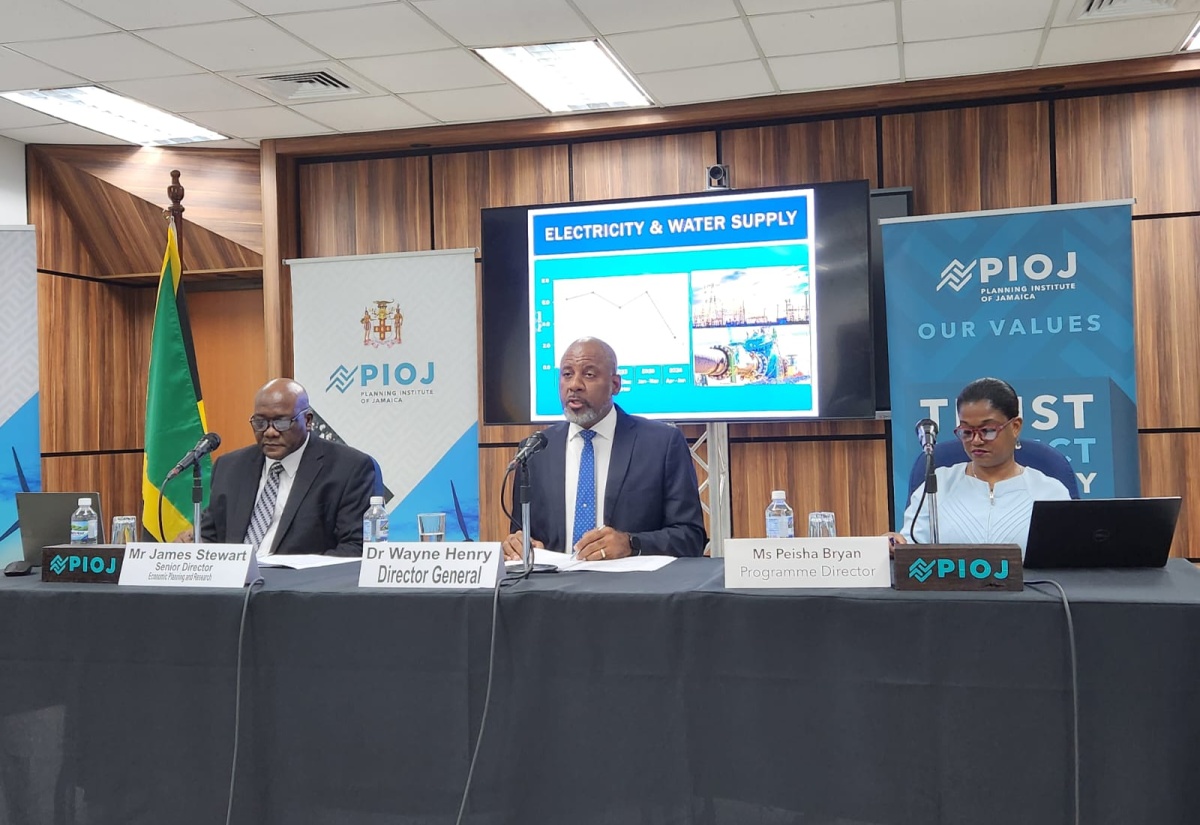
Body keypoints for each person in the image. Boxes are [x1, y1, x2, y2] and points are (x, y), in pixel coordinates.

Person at [503, 337, 707, 561]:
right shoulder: (535, 450)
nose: (574, 385)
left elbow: (691, 538)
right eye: (567, 374)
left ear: (615, 385)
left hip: (632, 591)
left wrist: (632, 544)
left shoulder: (662, 444)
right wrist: (518, 543)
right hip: (554, 591)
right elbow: (522, 533)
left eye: (589, 374)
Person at [888, 377, 1071, 555]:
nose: (976, 441)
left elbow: (1068, 561)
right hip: (949, 586)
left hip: (1033, 586)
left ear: (1015, 426)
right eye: (967, 432)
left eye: (988, 430)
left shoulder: (1050, 492)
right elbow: (909, 550)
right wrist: (894, 545)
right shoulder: (937, 486)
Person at [199, 378, 376, 556]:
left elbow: (356, 547)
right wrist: (193, 543)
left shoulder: (349, 468)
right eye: (260, 422)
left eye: (281, 422)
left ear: (307, 421)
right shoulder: (230, 467)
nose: (270, 432)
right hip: (233, 580)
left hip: (299, 582)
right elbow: (210, 536)